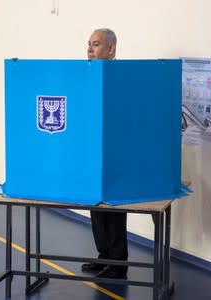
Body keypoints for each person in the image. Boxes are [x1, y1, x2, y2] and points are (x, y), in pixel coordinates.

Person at [81, 28, 128, 279]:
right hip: (93, 150)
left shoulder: (121, 76)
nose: (90, 48)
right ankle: (104, 256)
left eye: (96, 44)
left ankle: (118, 262)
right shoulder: (87, 75)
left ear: (111, 49)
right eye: (88, 44)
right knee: (96, 206)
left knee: (113, 207)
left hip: (115, 151)